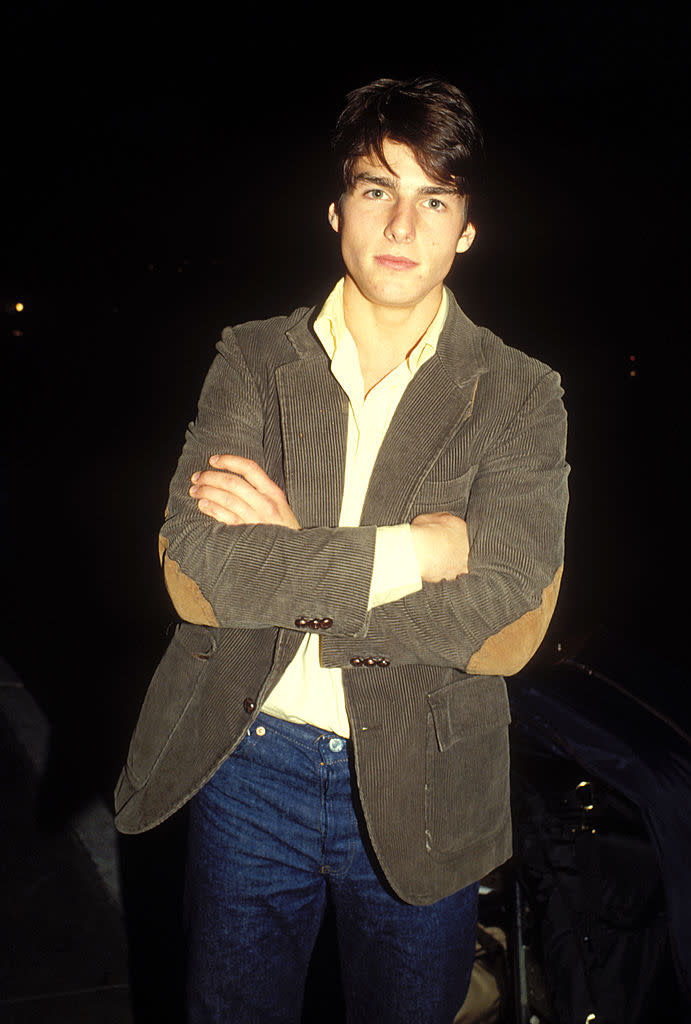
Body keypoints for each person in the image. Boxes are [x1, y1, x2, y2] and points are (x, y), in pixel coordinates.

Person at [114, 76, 569, 1023]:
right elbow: (197, 572)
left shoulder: (522, 395)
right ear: (335, 211)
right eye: (377, 189)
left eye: (433, 198)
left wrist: (293, 562)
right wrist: (417, 549)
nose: (403, 224)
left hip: (427, 777)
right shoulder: (252, 358)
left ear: (466, 227)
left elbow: (510, 619)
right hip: (248, 764)